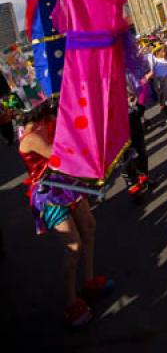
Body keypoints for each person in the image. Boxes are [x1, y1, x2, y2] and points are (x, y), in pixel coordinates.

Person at [18, 103, 113, 327]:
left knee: (89, 228)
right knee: (74, 246)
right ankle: (71, 302)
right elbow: (59, 156)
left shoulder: (49, 120)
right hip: (49, 192)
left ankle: (89, 282)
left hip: (67, 184)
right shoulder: (30, 136)